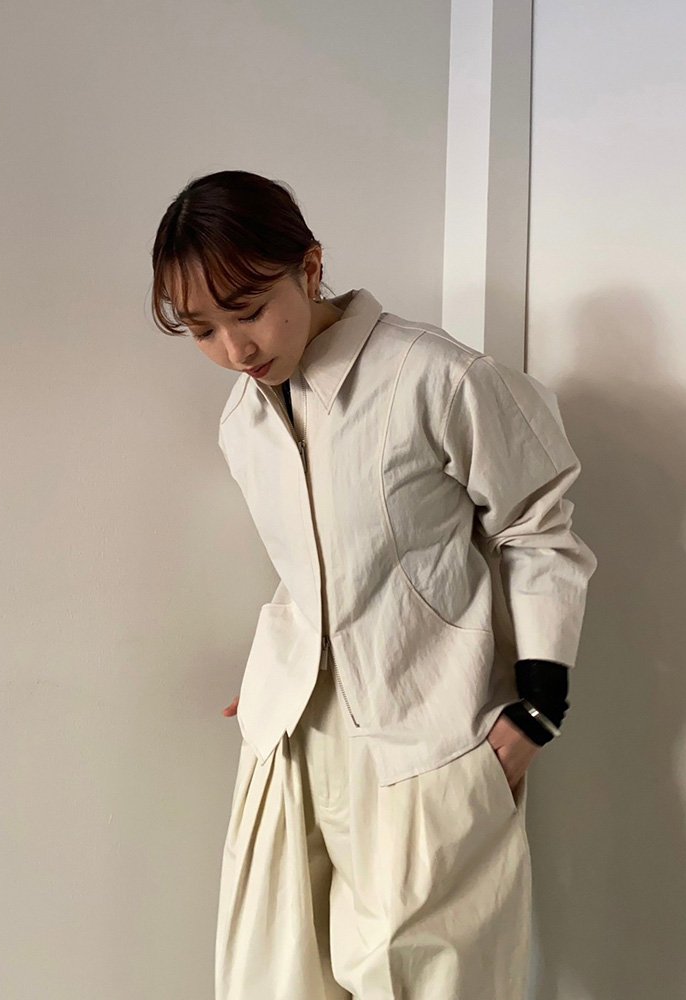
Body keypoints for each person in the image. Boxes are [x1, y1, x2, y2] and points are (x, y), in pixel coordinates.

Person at [149, 169, 598, 999]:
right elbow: (314, 562)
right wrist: (285, 671)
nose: (236, 351)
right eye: (202, 329)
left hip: (428, 739)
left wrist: (540, 704)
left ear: (310, 268)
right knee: (274, 982)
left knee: (423, 981)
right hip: (291, 745)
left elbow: (537, 526)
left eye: (249, 310)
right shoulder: (243, 421)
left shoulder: (436, 377)